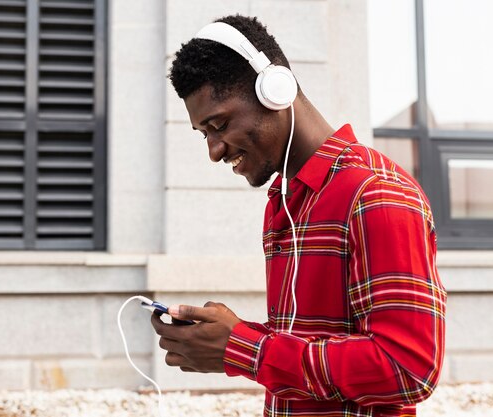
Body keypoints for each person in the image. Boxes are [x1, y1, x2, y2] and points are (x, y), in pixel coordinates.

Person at [151, 14, 446, 417]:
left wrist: (245, 350)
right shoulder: (286, 200)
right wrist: (232, 336)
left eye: (219, 124)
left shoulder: (375, 195)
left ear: (275, 90)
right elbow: (316, 343)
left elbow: (408, 369)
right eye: (205, 134)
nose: (214, 150)